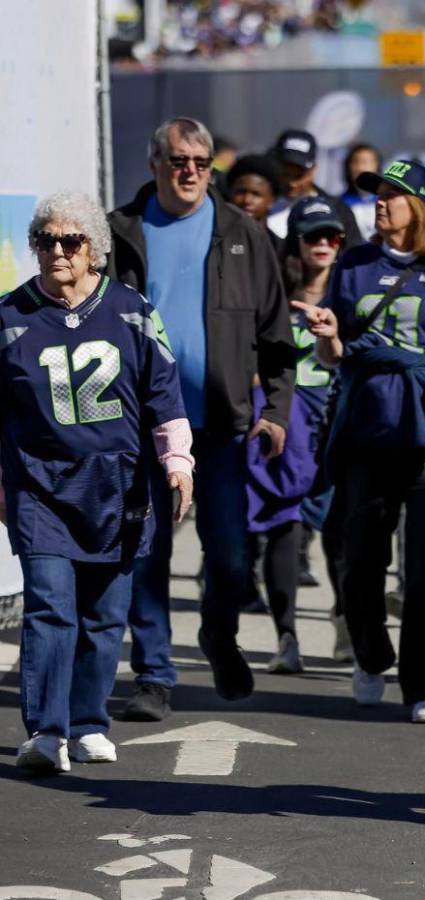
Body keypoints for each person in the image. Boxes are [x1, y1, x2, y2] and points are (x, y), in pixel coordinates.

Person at [293, 159, 425, 724]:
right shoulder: (355, 265)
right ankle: (369, 655)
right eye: (378, 194)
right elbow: (335, 356)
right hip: (368, 431)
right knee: (358, 558)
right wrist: (328, 338)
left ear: (421, 207)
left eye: (393, 194)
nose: (381, 204)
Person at [108, 116, 295, 719]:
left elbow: (276, 336)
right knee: (146, 554)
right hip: (140, 425)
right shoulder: (119, 232)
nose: (189, 171)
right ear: (154, 165)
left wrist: (277, 411)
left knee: (232, 557)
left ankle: (219, 632)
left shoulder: (243, 233)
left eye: (200, 162)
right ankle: (153, 675)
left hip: (220, 427)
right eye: (177, 160)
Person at [5, 192, 194, 772]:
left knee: (105, 615)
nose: (58, 251)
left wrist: (177, 461)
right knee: (50, 606)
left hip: (118, 485)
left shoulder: (132, 310)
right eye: (46, 240)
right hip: (39, 485)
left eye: (72, 240)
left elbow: (163, 391)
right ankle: (46, 731)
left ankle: (88, 722)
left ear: (95, 249)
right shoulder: (9, 316)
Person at [244, 197, 346, 675]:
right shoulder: (273, 294)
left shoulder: (354, 290)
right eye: (313, 236)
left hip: (340, 418)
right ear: (296, 243)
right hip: (287, 420)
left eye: (332, 236)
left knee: (341, 530)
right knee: (285, 524)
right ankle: (286, 637)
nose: (323, 244)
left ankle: (345, 621)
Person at [266, 129, 362, 246]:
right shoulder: (259, 205)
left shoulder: (338, 211)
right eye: (285, 174)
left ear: (313, 169)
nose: (292, 183)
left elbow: (353, 251)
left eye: (299, 175)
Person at [227, 154, 285, 251]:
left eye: (256, 194)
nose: (247, 200)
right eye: (241, 192)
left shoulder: (280, 249)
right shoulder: (213, 241)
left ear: (272, 201)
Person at [339, 142, 381, 240]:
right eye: (356, 162)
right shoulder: (340, 204)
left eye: (366, 162)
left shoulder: (386, 201)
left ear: (377, 165)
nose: (360, 168)